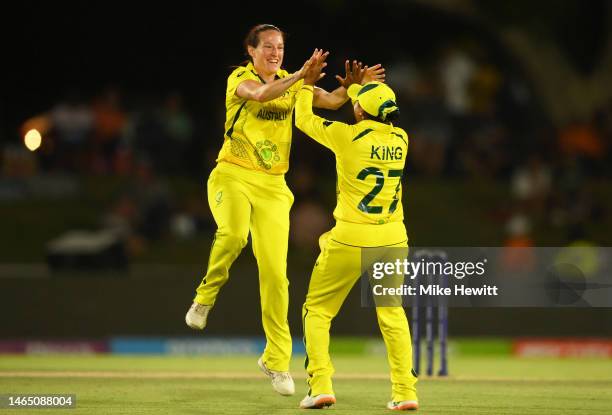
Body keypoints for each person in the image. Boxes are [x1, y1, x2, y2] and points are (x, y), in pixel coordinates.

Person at [184, 24, 385, 397]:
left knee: (277, 276)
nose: (276, 52)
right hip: (232, 176)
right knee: (233, 235)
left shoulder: (293, 84)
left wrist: (358, 86)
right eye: (269, 47)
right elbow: (261, 94)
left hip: (274, 187)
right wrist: (300, 76)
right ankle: (205, 296)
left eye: (280, 47)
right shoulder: (239, 79)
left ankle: (275, 360)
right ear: (251, 50)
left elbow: (331, 101)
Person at [294, 52, 418, 410]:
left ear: (360, 111)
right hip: (393, 237)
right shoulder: (403, 140)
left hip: (351, 236)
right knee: (392, 315)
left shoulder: (346, 137)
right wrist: (355, 90)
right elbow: (373, 109)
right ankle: (405, 392)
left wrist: (306, 85)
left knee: (316, 311)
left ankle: (321, 386)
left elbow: (304, 119)